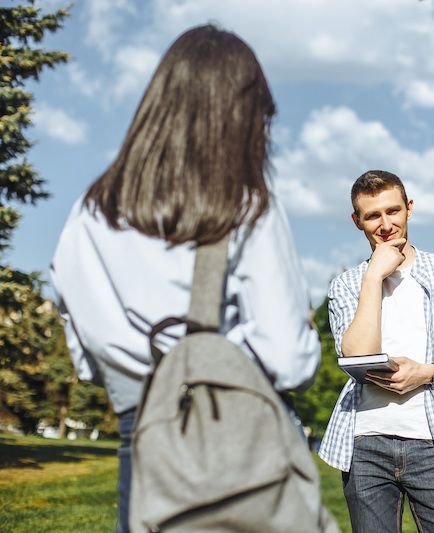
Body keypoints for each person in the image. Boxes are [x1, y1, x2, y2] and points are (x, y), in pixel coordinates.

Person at [50, 25, 320, 533]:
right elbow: (288, 359)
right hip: (234, 436)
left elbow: (84, 354)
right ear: (240, 115)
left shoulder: (91, 211)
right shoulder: (245, 206)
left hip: (140, 433)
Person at [319, 170, 434, 533]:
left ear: (409, 208)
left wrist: (430, 373)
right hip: (365, 445)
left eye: (393, 211)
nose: (385, 224)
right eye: (372, 216)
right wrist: (373, 278)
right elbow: (358, 358)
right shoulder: (348, 284)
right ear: (356, 221)